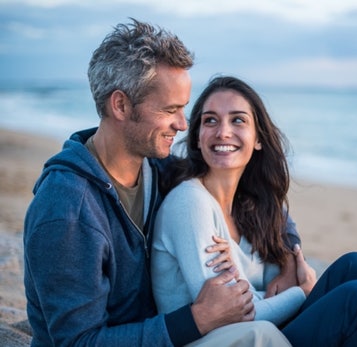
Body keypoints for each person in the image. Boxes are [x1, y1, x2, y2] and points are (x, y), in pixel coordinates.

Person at [23, 19, 293, 346]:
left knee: (355, 277)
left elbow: (247, 183)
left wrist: (289, 255)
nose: (182, 124)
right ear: (121, 105)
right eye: (171, 109)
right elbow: (78, 342)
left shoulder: (157, 168)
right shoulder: (67, 210)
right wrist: (196, 319)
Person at [151, 75, 357, 346]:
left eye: (238, 120)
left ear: (258, 139)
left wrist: (288, 265)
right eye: (210, 120)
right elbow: (231, 313)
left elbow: (254, 297)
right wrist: (300, 293)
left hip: (261, 328)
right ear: (198, 138)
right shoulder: (190, 203)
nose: (223, 132)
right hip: (223, 339)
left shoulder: (251, 204)